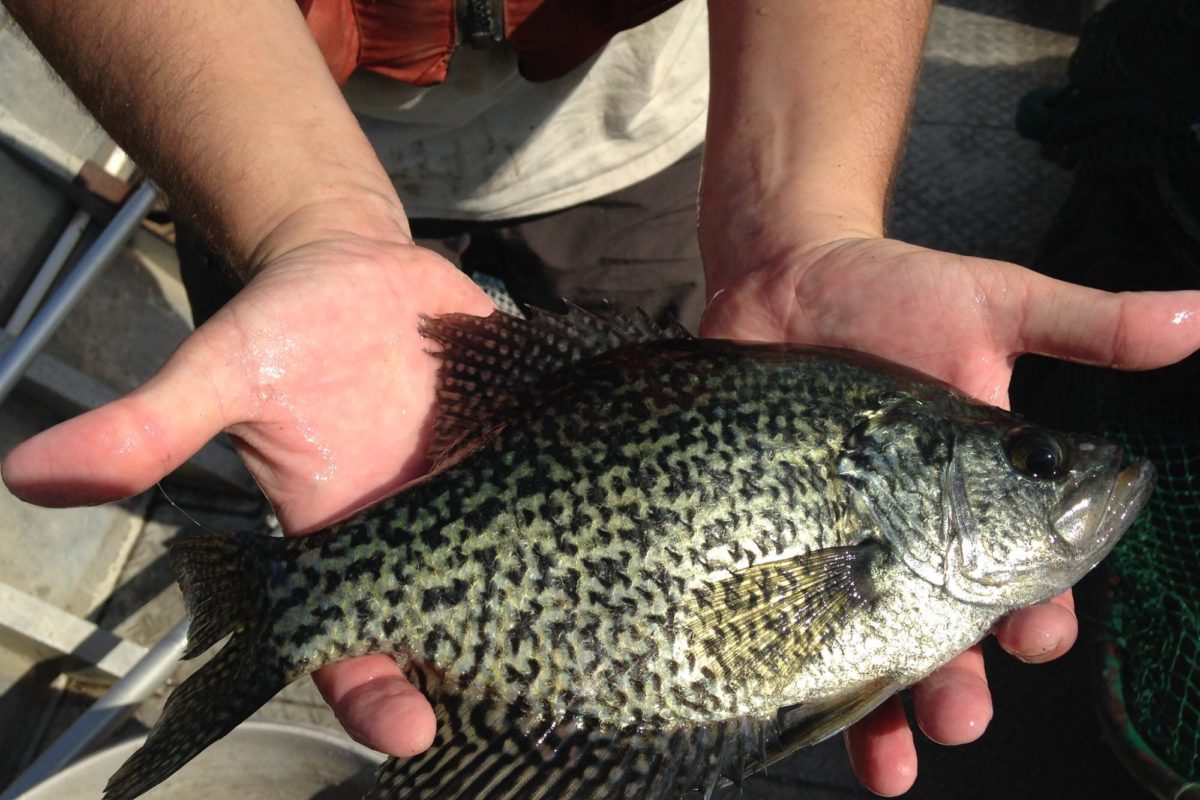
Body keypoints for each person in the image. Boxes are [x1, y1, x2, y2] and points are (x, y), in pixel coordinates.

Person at [3, 1, 1199, 795]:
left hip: (641, 121)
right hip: (233, 110)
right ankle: (271, 592)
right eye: (1033, 459)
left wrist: (811, 216)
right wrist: (300, 223)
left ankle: (279, 599)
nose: (1069, 473)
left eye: (1036, 456)